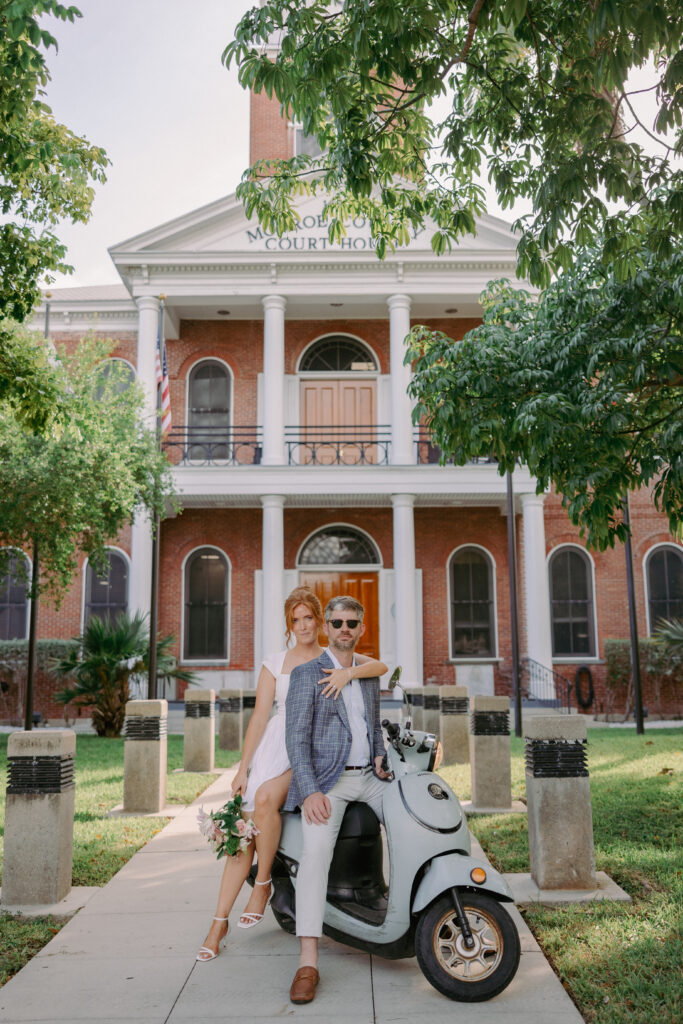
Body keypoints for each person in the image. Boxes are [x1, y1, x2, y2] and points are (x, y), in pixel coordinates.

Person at [196, 586, 387, 962]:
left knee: (266, 799)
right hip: (277, 745)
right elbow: (260, 716)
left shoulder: (335, 655)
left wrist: (349, 675)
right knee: (243, 830)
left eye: (308, 618)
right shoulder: (277, 663)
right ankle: (219, 922)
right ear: (290, 625)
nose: (302, 625)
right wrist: (243, 768)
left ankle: (263, 883)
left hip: (307, 752)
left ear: (320, 622)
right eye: (294, 620)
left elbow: (377, 668)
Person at [284, 595, 390, 1005]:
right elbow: (296, 737)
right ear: (326, 627)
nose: (344, 629)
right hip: (329, 782)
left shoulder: (366, 674)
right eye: (337, 622)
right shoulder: (305, 674)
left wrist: (380, 756)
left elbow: (372, 727)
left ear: (361, 628)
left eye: (352, 623)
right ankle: (307, 962)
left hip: (372, 778)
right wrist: (309, 789)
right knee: (314, 858)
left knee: (413, 827)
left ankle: (405, 915)